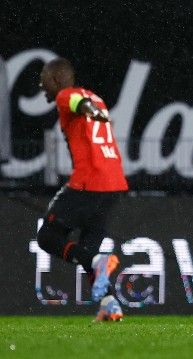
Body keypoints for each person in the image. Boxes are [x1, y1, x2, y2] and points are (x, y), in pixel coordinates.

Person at [36, 57, 127, 322]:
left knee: (48, 237)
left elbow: (77, 103)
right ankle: (110, 304)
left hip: (90, 181)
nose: (41, 85)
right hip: (114, 183)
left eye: (43, 79)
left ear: (54, 79)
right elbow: (86, 105)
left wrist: (87, 109)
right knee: (87, 250)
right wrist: (91, 109)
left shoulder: (67, 95)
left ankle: (99, 261)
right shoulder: (97, 98)